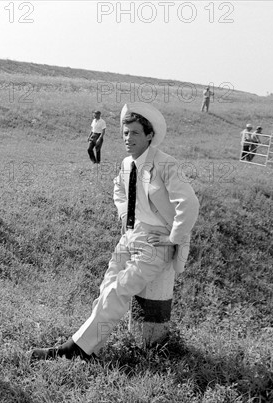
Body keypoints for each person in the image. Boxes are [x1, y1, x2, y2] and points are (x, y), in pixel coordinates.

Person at [31, 102, 199, 361]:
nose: (127, 138)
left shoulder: (166, 165)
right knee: (107, 285)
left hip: (156, 242)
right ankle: (91, 348)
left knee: (118, 289)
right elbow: (119, 190)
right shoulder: (126, 163)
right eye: (124, 133)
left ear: (150, 135)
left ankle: (72, 349)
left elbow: (188, 204)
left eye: (134, 133)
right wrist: (124, 215)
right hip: (131, 234)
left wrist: (172, 238)